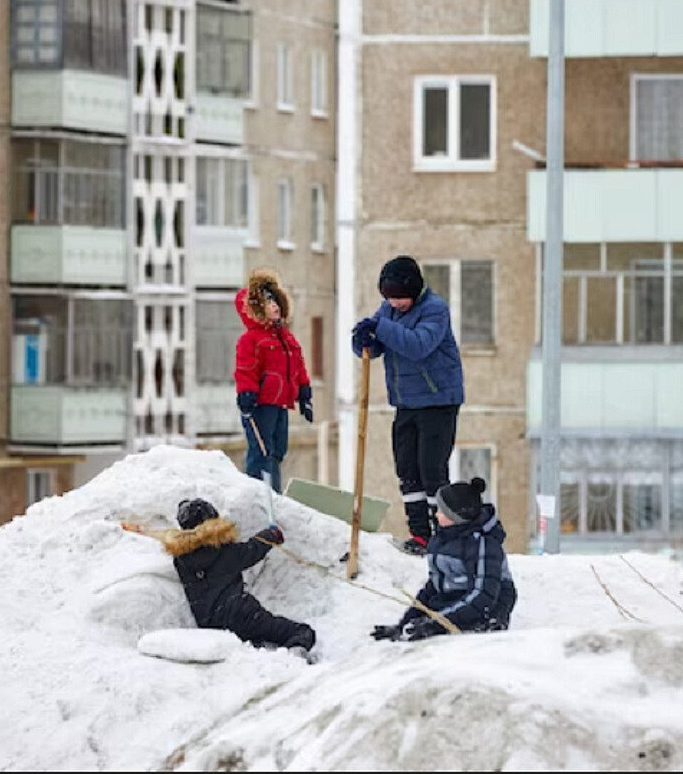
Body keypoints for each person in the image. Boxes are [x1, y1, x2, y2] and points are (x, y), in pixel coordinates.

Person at [351, 255, 464, 555]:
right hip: (406, 403)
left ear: (413, 291)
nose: (395, 303)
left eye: (400, 297)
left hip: (438, 401)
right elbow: (378, 341)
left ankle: (444, 536)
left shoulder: (435, 310)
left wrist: (380, 328)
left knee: (431, 471)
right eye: (389, 298)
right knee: (408, 470)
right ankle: (420, 535)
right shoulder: (388, 309)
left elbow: (417, 345)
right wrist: (364, 339)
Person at [370, 477, 517, 642]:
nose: (436, 513)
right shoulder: (441, 539)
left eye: (442, 510)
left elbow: (483, 596)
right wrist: (403, 625)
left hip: (486, 609)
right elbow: (434, 587)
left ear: (456, 517)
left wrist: (436, 624)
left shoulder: (483, 544)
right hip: (453, 604)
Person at [165, 498, 316, 653]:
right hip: (242, 614)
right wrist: (272, 534)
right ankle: (295, 657)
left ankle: (260, 648)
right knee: (301, 632)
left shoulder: (181, 560)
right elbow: (252, 549)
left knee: (257, 639)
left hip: (209, 624)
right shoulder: (223, 551)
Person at [234, 268, 314, 491]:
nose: (275, 307)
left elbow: (297, 366)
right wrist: (246, 394)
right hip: (261, 404)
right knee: (262, 450)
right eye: (269, 303)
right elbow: (245, 369)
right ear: (257, 308)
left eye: (276, 302)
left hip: (281, 403)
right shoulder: (251, 339)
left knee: (278, 450)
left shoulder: (286, 338)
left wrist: (304, 393)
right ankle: (259, 493)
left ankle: (274, 494)